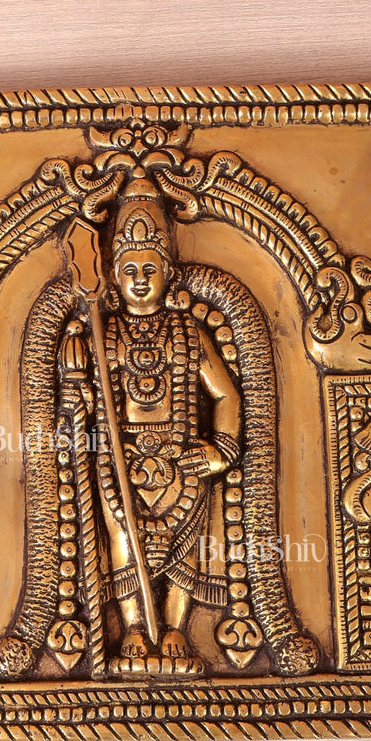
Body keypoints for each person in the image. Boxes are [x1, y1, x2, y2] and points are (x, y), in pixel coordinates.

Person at [58, 179, 242, 667]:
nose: (140, 280)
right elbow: (82, 402)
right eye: (129, 270)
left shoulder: (187, 332)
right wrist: (77, 387)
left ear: (169, 272)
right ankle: (135, 628)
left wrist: (221, 448)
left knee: (185, 546)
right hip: (120, 458)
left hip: (182, 454)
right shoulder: (104, 334)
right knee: (123, 541)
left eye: (150, 269)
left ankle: (176, 626)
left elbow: (224, 393)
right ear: (113, 277)